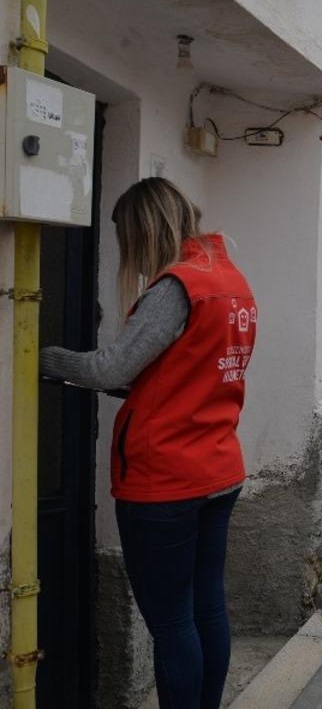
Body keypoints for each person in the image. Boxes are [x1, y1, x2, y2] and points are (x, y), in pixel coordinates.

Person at [40, 177, 257, 709]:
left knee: (172, 623)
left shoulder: (176, 287)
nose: (129, 259)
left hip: (166, 483)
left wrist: (37, 355)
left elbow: (110, 366)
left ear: (143, 231)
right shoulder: (229, 280)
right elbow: (182, 372)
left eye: (128, 242)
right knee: (206, 609)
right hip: (217, 469)